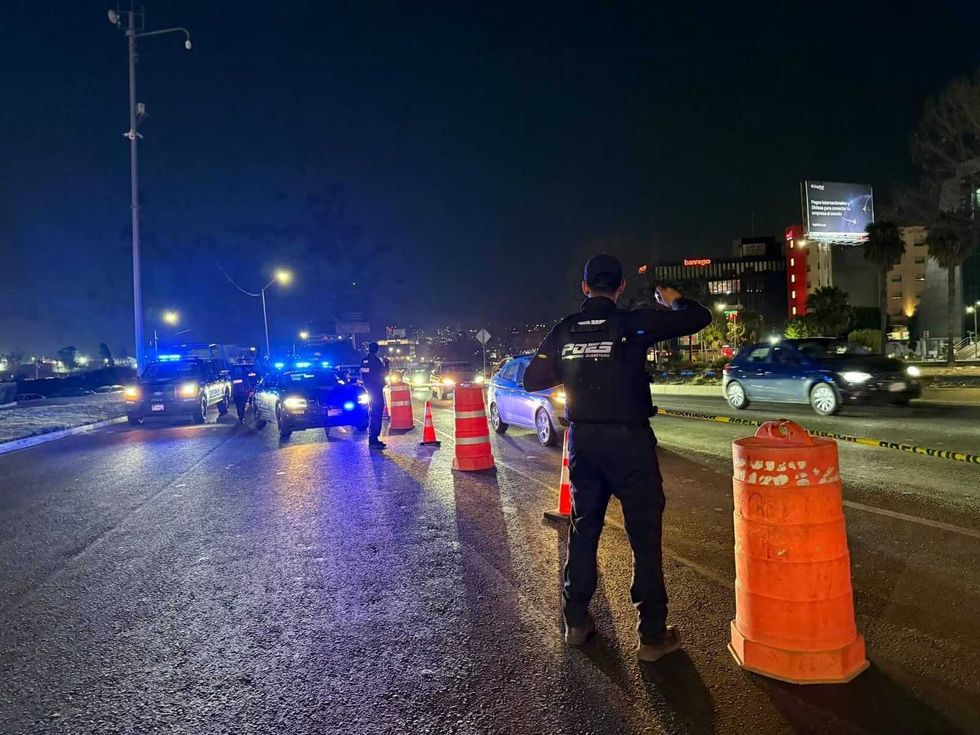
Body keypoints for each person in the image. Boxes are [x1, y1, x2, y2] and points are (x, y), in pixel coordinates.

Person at [523, 254, 711, 662]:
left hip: (585, 443)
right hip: (630, 443)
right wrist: (673, 298)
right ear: (621, 287)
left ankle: (576, 620)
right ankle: (652, 635)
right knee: (643, 535)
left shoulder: (564, 330)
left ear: (585, 288)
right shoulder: (632, 323)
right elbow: (698, 317)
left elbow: (532, 379)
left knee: (584, 528)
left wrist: (576, 364)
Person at [360, 342, 389, 449]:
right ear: (377, 350)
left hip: (370, 390)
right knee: (377, 413)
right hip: (376, 390)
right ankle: (373, 439)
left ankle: (372, 438)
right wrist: (387, 364)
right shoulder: (376, 361)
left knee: (372, 413)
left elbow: (363, 375)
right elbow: (384, 373)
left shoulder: (364, 361)